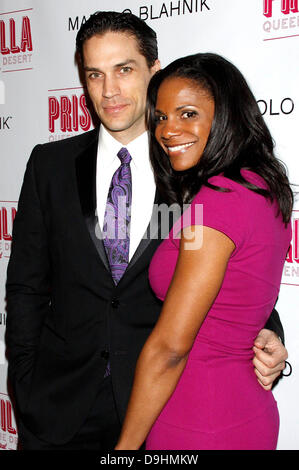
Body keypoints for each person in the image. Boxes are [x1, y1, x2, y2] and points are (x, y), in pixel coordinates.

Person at [5, 12, 288, 451]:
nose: (109, 90)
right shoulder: (50, 164)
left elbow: (231, 276)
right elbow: (25, 285)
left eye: (124, 69)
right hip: (58, 406)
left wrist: (269, 330)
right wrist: (24, 381)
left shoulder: (195, 174)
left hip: (158, 406)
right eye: (94, 74)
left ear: (154, 71)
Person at [115, 53, 293, 450]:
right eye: (160, 117)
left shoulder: (218, 198)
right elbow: (239, 292)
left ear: (226, 115)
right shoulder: (262, 187)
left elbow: (169, 350)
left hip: (197, 417)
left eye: (188, 113)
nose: (168, 130)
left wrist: (124, 451)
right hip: (245, 409)